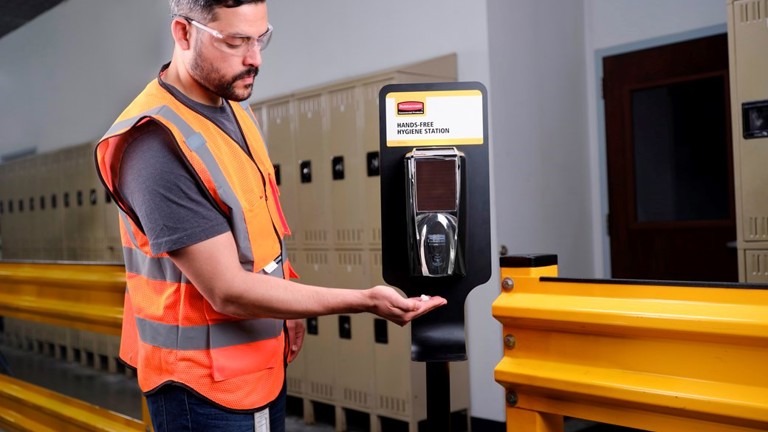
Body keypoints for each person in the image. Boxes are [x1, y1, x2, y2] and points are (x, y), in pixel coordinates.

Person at [94, 1, 447, 431]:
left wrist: (289, 303)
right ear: (184, 33)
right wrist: (364, 300)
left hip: (258, 366)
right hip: (200, 388)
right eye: (236, 41)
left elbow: (257, 232)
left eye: (261, 38)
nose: (254, 59)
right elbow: (227, 290)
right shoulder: (156, 145)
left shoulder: (234, 111)